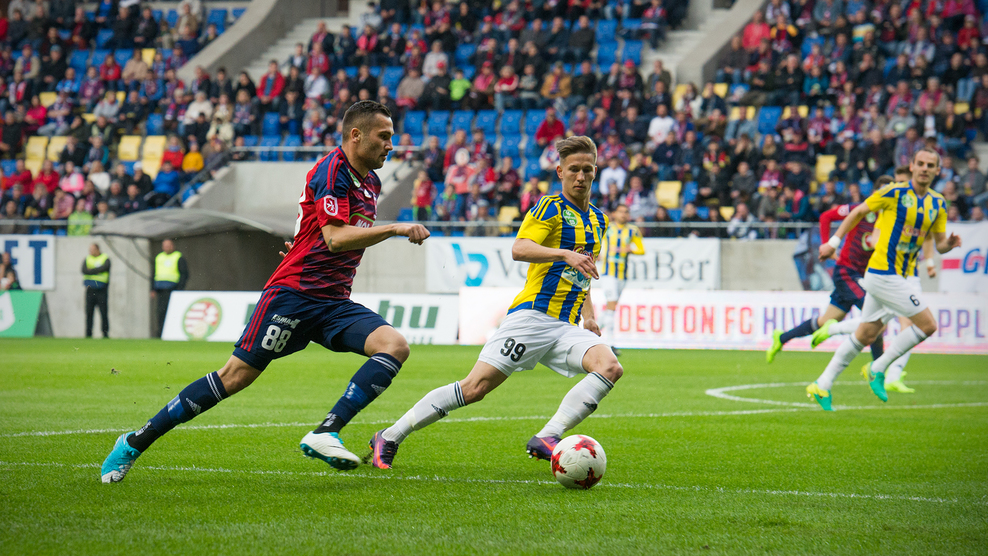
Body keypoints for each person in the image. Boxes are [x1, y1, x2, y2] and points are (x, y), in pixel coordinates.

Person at [101, 101, 431, 483]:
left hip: (333, 301)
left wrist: (304, 243)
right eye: (384, 136)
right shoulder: (332, 170)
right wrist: (394, 228)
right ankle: (134, 442)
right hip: (294, 295)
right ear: (356, 135)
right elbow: (336, 237)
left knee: (394, 345)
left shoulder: (371, 183)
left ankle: (327, 431)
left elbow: (317, 228)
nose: (391, 145)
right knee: (235, 376)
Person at [367, 136, 623, 470]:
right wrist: (564, 254)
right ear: (560, 172)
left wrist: (589, 316)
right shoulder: (550, 207)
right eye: (573, 169)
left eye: (587, 169)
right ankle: (389, 436)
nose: (581, 176)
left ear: (595, 172)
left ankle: (548, 436)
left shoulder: (599, 220)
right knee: (474, 388)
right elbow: (519, 248)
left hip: (566, 325)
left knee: (609, 366)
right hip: (532, 317)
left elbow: (583, 271)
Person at [808, 149, 962, 410]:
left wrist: (950, 244)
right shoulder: (894, 192)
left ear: (938, 170)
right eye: (920, 163)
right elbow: (857, 212)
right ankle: (878, 368)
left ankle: (822, 384)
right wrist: (833, 242)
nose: (925, 168)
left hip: (899, 275)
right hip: (883, 273)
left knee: (865, 334)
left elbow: (938, 244)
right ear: (911, 166)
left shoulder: (938, 203)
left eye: (930, 165)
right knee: (927, 325)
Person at [766, 177, 896, 364]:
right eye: (883, 192)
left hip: (862, 276)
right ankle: (879, 370)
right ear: (875, 193)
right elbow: (826, 217)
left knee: (825, 320)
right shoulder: (859, 209)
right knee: (876, 319)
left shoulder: (892, 220)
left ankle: (781, 337)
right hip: (848, 272)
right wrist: (828, 244)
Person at [597, 204, 644, 353]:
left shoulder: (633, 230)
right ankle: (610, 343)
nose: (623, 214)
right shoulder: (607, 228)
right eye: (620, 212)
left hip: (622, 274)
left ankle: (591, 331)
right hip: (608, 273)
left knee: (611, 307)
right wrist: (596, 253)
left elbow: (641, 249)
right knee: (611, 305)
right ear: (614, 213)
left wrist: (631, 249)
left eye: (626, 212)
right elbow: (595, 240)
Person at [151, 239, 189, 338]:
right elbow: (154, 274)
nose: (166, 247)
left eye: (168, 245)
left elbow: (184, 274)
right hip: (160, 290)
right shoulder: (159, 257)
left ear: (172, 246)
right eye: (164, 246)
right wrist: (152, 289)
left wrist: (179, 289)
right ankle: (160, 334)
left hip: (173, 290)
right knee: (160, 312)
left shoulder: (178, 257)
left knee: (172, 312)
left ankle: (172, 334)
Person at [82, 243, 110, 339]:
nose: (91, 251)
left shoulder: (105, 258)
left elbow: (105, 267)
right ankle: (88, 334)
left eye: (93, 249)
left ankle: (105, 334)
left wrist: (92, 270)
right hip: (90, 290)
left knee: (103, 313)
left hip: (101, 290)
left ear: (98, 249)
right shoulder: (87, 259)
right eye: (90, 250)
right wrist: (97, 270)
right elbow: (84, 270)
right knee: (89, 313)